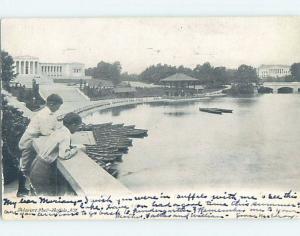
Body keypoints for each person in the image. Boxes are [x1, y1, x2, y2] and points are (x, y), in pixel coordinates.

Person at [17, 94, 63, 197]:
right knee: (24, 166)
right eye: (58, 106)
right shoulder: (43, 115)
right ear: (51, 104)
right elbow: (46, 131)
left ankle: (27, 189)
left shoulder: (51, 114)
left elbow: (54, 129)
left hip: (34, 140)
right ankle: (20, 190)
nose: (58, 109)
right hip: (28, 141)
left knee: (31, 167)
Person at [29, 112, 83, 196]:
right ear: (73, 125)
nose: (77, 129)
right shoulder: (66, 135)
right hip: (42, 170)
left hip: (36, 164)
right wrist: (77, 149)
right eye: (78, 126)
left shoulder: (59, 130)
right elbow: (63, 155)